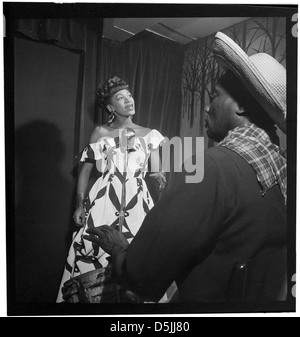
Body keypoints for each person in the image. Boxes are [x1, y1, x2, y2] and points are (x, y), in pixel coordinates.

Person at [83, 32, 287, 303]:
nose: (206, 107)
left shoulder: (207, 167)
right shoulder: (282, 165)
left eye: (214, 96)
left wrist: (120, 251)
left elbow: (142, 272)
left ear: (240, 106)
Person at [56, 76, 166, 302]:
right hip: (103, 200)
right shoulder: (100, 133)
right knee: (92, 251)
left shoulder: (151, 134)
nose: (128, 101)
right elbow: (85, 171)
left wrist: (160, 179)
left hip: (139, 203)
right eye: (120, 98)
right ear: (110, 107)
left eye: (129, 96)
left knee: (137, 257)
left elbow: (156, 173)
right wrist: (79, 205)